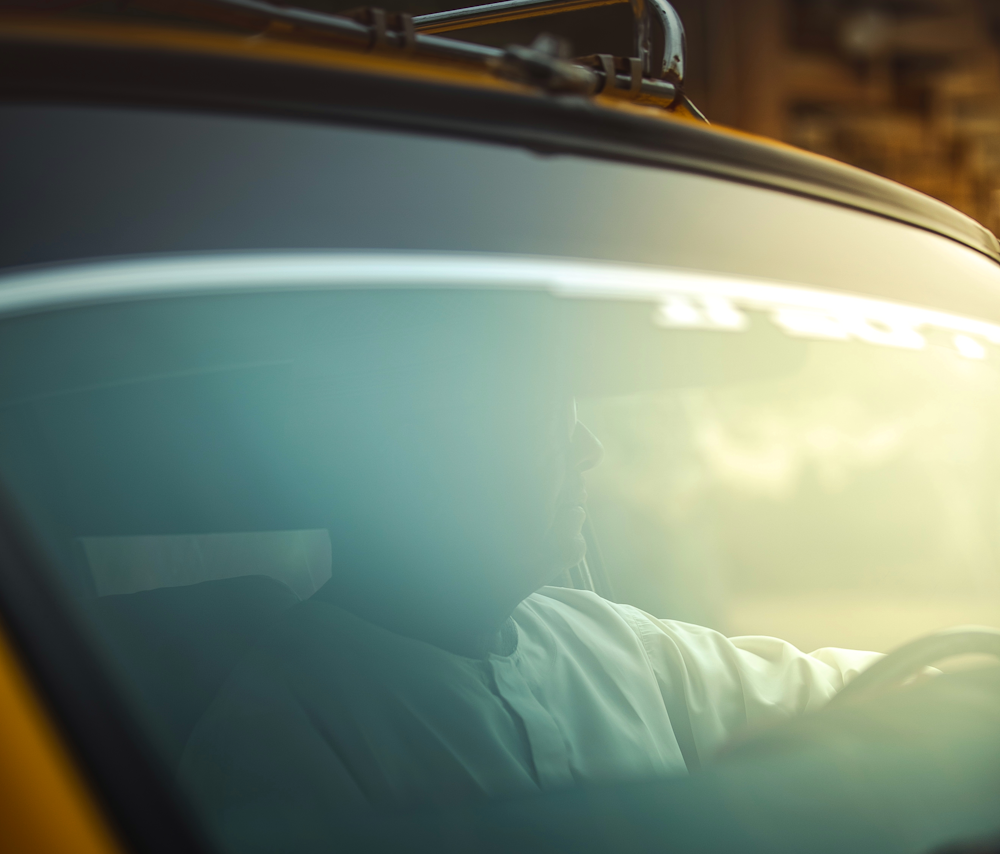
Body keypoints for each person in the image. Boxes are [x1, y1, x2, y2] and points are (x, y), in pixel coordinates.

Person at [179, 298, 877, 815]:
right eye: (544, 422)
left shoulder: (605, 640)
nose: (587, 451)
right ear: (414, 459)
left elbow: (848, 691)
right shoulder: (278, 740)